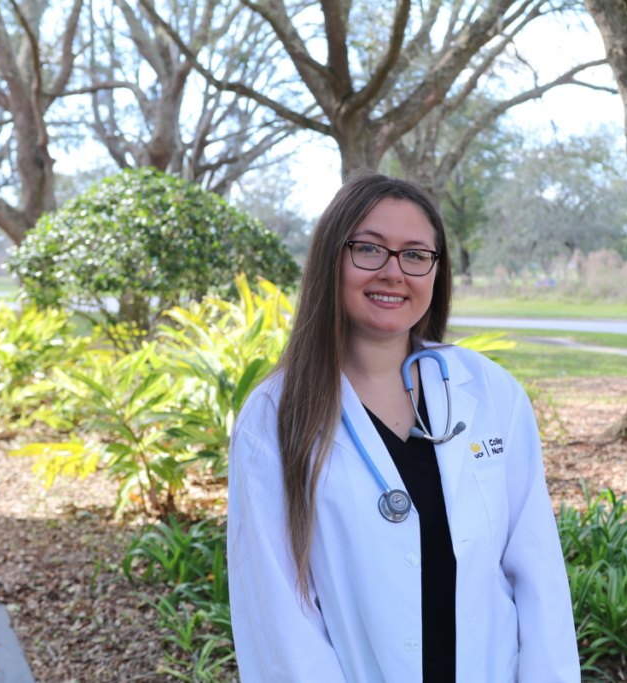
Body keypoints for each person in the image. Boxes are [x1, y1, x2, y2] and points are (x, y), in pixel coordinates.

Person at [228, 174, 579, 683]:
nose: (394, 272)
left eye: (416, 255)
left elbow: (537, 574)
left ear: (436, 271)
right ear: (332, 259)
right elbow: (278, 617)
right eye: (369, 249)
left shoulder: (490, 393)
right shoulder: (273, 418)